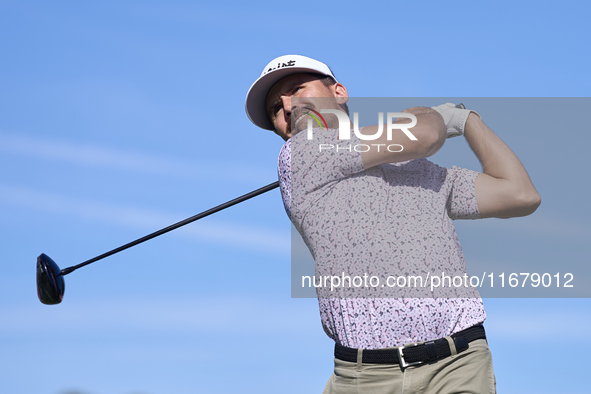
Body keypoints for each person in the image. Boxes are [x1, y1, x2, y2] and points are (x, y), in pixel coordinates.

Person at [245, 55, 541, 393]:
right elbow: (426, 134)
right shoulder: (299, 157)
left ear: (339, 91)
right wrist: (430, 115)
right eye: (274, 109)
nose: (287, 106)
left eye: (297, 90)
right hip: (365, 378)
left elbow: (520, 194)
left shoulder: (418, 170)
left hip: (457, 365)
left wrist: (468, 120)